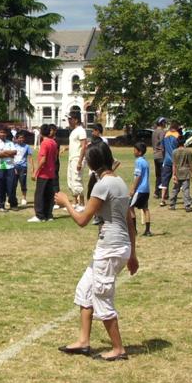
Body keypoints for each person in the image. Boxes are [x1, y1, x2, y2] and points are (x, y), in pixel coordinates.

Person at [54, 140, 139, 361]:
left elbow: (82, 220)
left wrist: (66, 203)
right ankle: (83, 341)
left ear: (92, 163)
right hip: (118, 247)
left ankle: (118, 348)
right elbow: (130, 220)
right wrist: (132, 254)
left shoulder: (103, 185)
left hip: (110, 249)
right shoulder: (119, 182)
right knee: (85, 289)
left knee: (102, 297)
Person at [29, 124, 58, 222]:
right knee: (49, 195)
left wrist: (35, 172)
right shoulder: (53, 142)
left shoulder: (44, 143)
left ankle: (40, 216)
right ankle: (49, 215)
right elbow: (55, 158)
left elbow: (43, 159)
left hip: (44, 173)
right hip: (51, 172)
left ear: (41, 132)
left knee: (40, 195)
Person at [129, 141, 152, 237]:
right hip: (146, 189)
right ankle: (147, 230)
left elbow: (138, 176)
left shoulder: (138, 161)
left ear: (139, 152)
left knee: (130, 207)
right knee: (145, 209)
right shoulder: (145, 161)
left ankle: (134, 230)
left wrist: (133, 189)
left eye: (135, 150)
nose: (133, 152)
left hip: (140, 189)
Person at [0, 126, 17, 212]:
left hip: (10, 166)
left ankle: (13, 203)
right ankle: (1, 205)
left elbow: (15, 152)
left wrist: (3, 152)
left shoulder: (10, 142)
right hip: (0, 166)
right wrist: (8, 153)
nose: (2, 134)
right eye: (1, 132)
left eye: (4, 132)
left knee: (11, 186)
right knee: (0, 187)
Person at [66, 112, 88, 210]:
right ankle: (75, 202)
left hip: (77, 158)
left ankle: (82, 204)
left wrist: (80, 161)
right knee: (71, 180)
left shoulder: (81, 130)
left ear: (76, 120)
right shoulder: (73, 131)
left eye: (70, 119)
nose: (69, 121)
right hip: (71, 158)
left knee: (77, 180)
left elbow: (84, 146)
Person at [169, 134, 192, 211]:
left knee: (175, 189)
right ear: (184, 143)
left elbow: (173, 164)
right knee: (186, 189)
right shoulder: (188, 151)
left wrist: (173, 174)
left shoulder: (174, 152)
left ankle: (172, 204)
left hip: (177, 172)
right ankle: (187, 205)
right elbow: (190, 163)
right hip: (186, 172)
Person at [159, 121, 181, 206]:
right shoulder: (177, 135)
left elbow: (162, 148)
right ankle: (174, 198)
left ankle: (162, 200)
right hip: (176, 161)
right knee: (177, 179)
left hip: (166, 160)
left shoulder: (166, 135)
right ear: (177, 127)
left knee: (165, 181)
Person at [12, 130, 35, 207]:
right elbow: (11, 157)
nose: (21, 139)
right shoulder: (13, 146)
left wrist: (32, 168)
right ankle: (12, 198)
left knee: (23, 183)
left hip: (23, 167)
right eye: (19, 138)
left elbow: (30, 157)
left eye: (22, 138)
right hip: (14, 167)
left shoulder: (27, 146)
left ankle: (24, 198)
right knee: (13, 184)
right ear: (16, 138)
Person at [151, 118, 166, 200]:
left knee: (158, 175)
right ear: (162, 123)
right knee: (164, 175)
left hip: (155, 155)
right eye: (165, 122)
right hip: (161, 156)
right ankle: (164, 194)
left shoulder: (154, 131)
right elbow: (163, 143)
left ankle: (157, 192)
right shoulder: (162, 132)